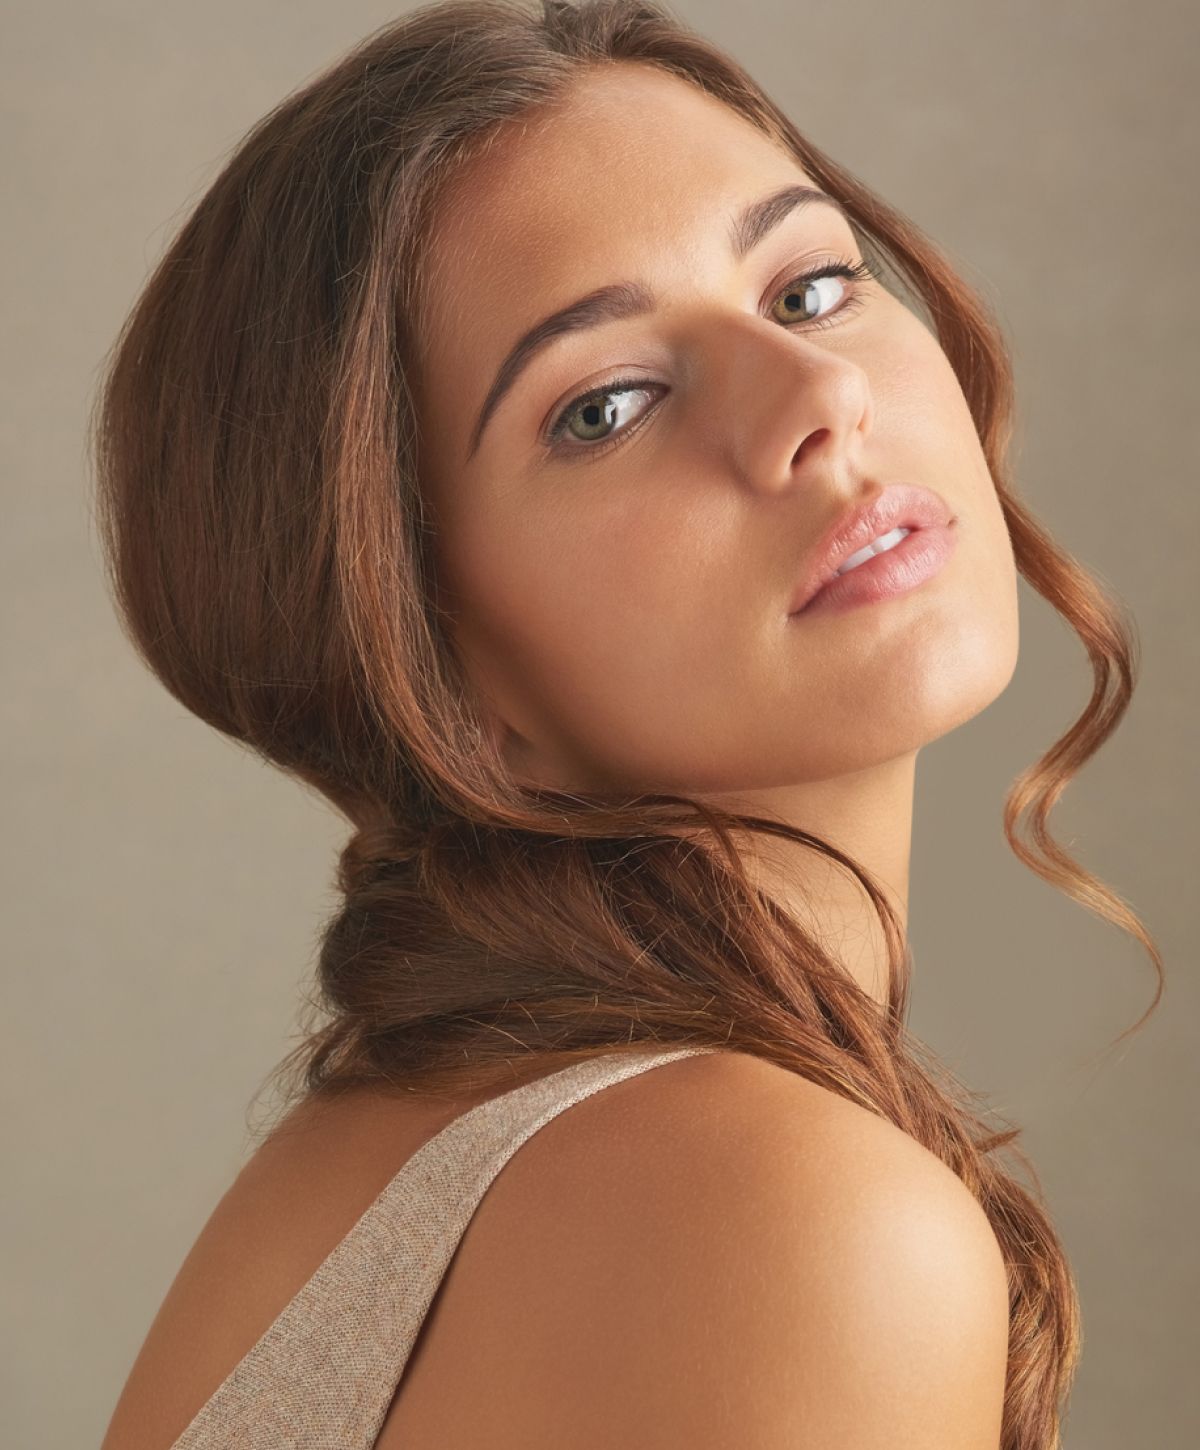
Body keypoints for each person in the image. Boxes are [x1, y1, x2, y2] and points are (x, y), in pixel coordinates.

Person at [92, 2, 1161, 1447]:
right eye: (605, 406)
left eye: (810, 287)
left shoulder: (388, 1144)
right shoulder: (783, 1217)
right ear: (429, 665)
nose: (821, 395)